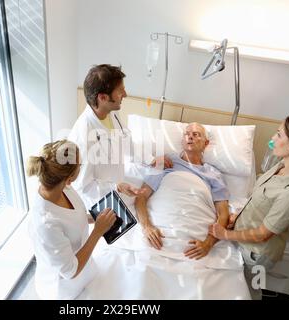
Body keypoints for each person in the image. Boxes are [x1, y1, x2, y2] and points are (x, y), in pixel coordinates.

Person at [209, 113, 289, 300]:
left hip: (257, 256)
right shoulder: (282, 165)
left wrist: (225, 234)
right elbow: (260, 202)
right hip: (244, 236)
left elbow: (262, 234)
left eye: (278, 134)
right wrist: (239, 218)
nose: (272, 139)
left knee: (250, 292)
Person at [68, 64, 172, 209]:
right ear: (103, 97)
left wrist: (151, 159)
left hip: (118, 188)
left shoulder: (112, 113)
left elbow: (126, 141)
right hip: (99, 202)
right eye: (120, 91)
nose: (125, 94)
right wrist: (116, 187)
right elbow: (83, 187)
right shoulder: (83, 136)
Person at [26, 140, 117, 299]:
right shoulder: (46, 224)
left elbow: (72, 216)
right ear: (69, 178)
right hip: (64, 286)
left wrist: (96, 219)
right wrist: (97, 232)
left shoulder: (61, 187)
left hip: (84, 265)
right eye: (80, 166)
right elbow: (70, 271)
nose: (81, 167)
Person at [135, 122, 230, 260]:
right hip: (160, 230)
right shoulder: (167, 162)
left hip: (195, 236)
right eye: (187, 134)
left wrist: (208, 244)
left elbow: (223, 214)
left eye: (196, 134)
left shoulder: (213, 174)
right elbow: (141, 197)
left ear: (206, 143)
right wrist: (147, 227)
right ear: (182, 140)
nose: (190, 137)